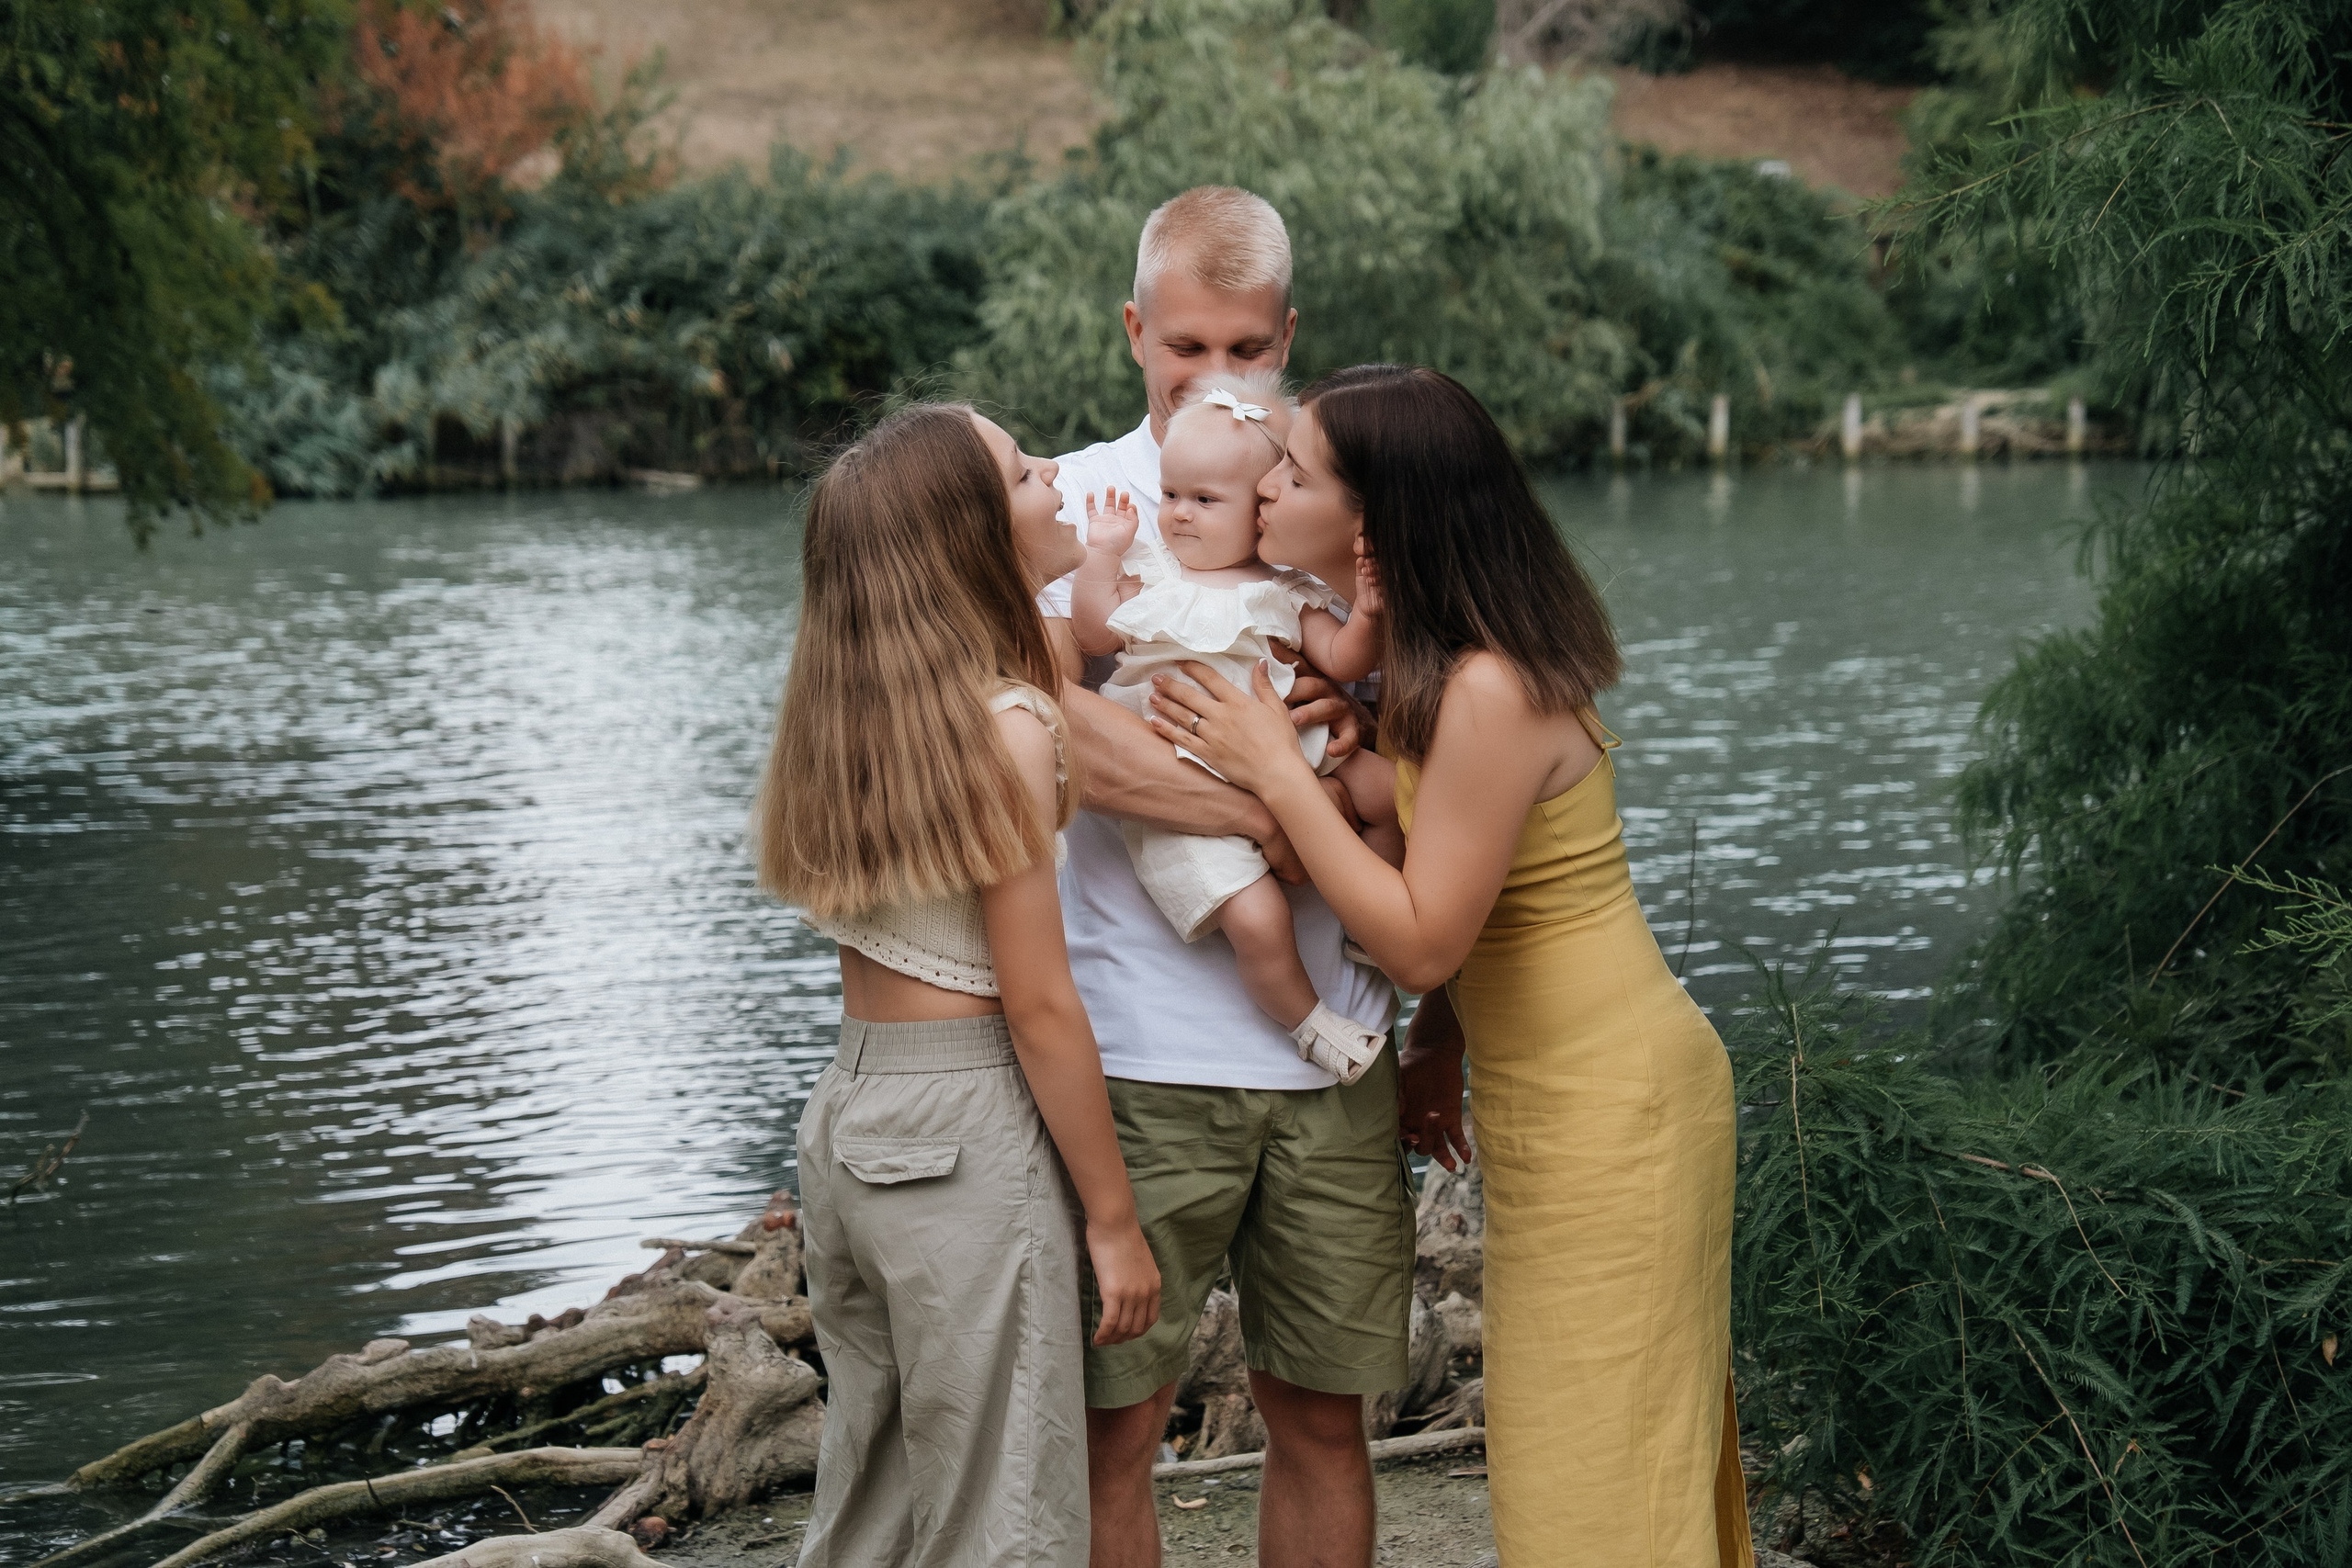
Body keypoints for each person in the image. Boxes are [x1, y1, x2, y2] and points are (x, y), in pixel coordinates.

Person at [1152, 364, 1754, 1568]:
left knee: (1601, 1463)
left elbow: (1428, 932)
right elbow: (1441, 854)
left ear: (1372, 521)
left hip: (1614, 1104)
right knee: (1586, 1446)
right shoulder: (1443, 668)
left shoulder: (1487, 687)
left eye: (1298, 470)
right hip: (1558, 1094)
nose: (1267, 483)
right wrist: (1434, 1045)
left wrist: (1275, 768)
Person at [1036, 187, 1413, 1568]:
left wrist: (1351, 764)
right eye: (1184, 345)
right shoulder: (1077, 505)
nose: (1214, 374)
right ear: (1135, 329)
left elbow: (1415, 718)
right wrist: (1279, 814)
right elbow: (1055, 734)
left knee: (1323, 1416)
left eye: (1245, 349)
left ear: (1288, 335)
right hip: (1141, 1054)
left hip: (1334, 1048)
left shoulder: (1333, 502)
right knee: (1111, 1427)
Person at [754, 402, 1162, 1568]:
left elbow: (1062, 635)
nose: (1057, 483)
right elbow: (1037, 1004)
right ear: (972, 533)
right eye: (1031, 473)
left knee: (873, 1503)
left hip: (849, 1119)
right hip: (963, 1134)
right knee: (1001, 1513)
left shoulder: (858, 713)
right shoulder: (1007, 731)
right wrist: (1115, 1221)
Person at [1070, 369, 1392, 1081]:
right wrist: (1101, 553)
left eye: (1205, 500)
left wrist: (1368, 612)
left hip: (1288, 744)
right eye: (1173, 494)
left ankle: (1376, 928)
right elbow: (1095, 631)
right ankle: (1310, 1024)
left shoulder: (1287, 589)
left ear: (1261, 511)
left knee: (1389, 792)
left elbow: (1340, 656)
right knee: (1257, 920)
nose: (1179, 514)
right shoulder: (1152, 573)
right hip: (1185, 784)